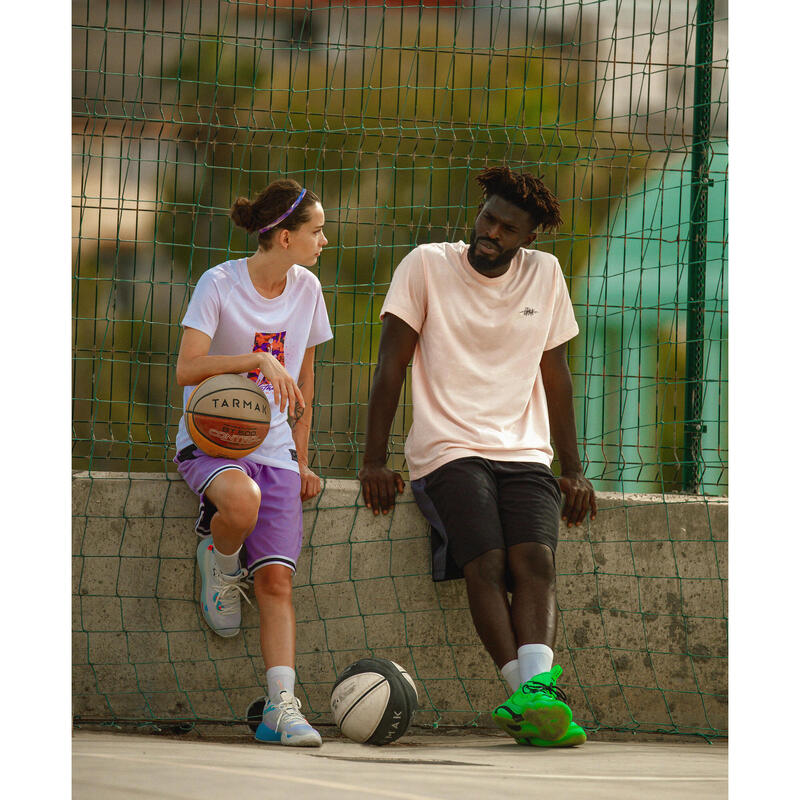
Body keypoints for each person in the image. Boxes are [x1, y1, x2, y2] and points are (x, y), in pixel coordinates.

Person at [358, 166, 597, 748]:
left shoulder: (546, 274)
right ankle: (534, 696)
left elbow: (556, 373)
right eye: (488, 217)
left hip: (523, 450)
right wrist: (373, 459)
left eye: (508, 228)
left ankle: (533, 699)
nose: (491, 232)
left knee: (535, 560)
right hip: (448, 449)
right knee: (486, 562)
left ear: (528, 238)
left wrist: (572, 467)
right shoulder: (426, 264)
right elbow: (390, 366)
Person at [174, 179, 332, 747]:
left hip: (276, 448)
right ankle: (218, 560)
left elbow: (305, 380)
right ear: (285, 237)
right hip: (214, 438)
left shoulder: (308, 288)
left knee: (276, 581)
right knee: (241, 502)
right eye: (316, 231)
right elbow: (187, 370)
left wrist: (303, 458)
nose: (323, 240)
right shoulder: (219, 283)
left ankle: (280, 707)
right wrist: (256, 362)